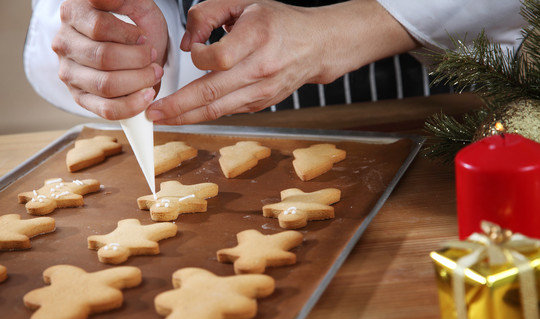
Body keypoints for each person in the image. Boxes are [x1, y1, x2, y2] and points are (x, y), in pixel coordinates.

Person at [24, 0, 525, 125]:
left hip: (428, 114)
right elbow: (68, 16)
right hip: (207, 133)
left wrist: (361, 25)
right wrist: (112, 39)